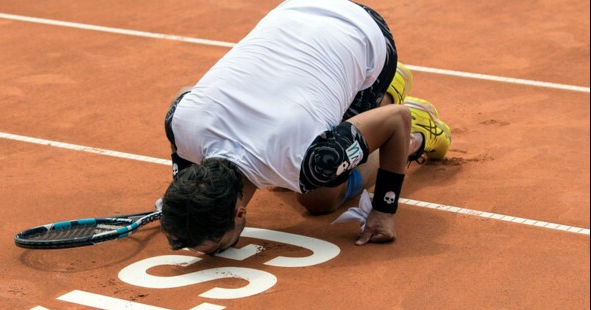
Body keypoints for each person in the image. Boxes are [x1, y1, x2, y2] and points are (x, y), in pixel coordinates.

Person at [160, 0, 451, 254]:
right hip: (295, 12)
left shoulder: (309, 163)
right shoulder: (183, 123)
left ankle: (412, 121)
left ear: (239, 214)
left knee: (320, 198)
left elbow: (395, 119)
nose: (204, 255)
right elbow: (184, 97)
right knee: (304, 176)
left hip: (365, 36)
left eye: (214, 249)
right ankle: (372, 94)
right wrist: (185, 200)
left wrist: (384, 210)